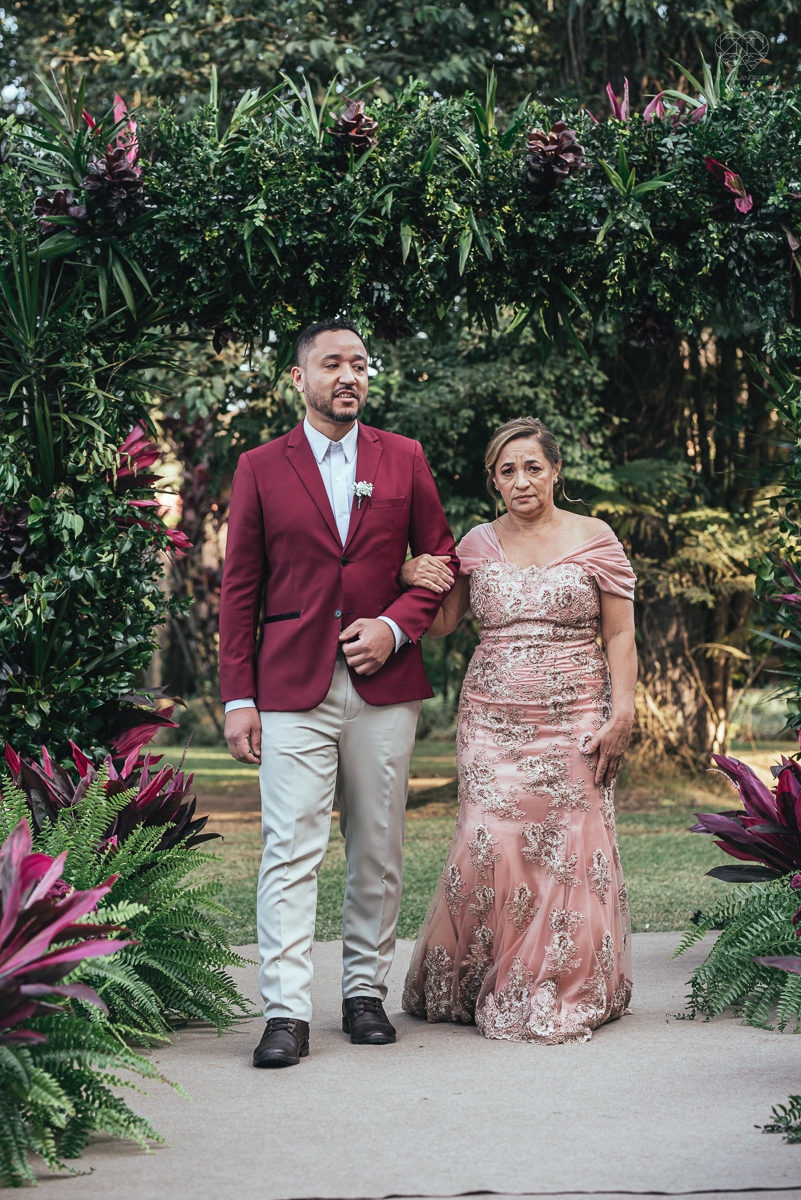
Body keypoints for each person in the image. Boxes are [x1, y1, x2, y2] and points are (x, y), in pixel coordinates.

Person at [219, 317, 457, 1068]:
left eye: (358, 363)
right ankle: (285, 1012)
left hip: (385, 688)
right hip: (291, 686)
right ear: (299, 378)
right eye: (332, 364)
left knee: (377, 848)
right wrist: (237, 697)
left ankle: (364, 995)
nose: (349, 375)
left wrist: (394, 626)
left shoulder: (403, 456)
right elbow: (239, 589)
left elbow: (441, 559)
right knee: (289, 850)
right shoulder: (260, 466)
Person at [399, 416, 637, 1043]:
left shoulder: (595, 537)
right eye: (508, 471)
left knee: (568, 842)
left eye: (533, 466)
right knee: (490, 839)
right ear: (494, 482)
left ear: (555, 470)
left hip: (576, 716)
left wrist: (622, 713)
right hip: (491, 720)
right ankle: (482, 976)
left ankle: (559, 978)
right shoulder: (476, 544)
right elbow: (442, 623)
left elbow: (620, 634)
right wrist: (407, 574)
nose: (522, 480)